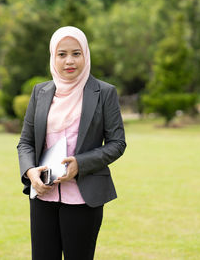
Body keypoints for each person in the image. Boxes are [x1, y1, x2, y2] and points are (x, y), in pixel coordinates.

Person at [17, 26, 126, 260]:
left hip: (83, 197)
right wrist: (30, 172)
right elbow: (25, 142)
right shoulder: (40, 92)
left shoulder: (104, 92)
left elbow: (117, 143)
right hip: (43, 194)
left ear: (85, 54)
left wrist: (80, 164)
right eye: (62, 54)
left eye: (76, 53)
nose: (69, 61)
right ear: (52, 57)